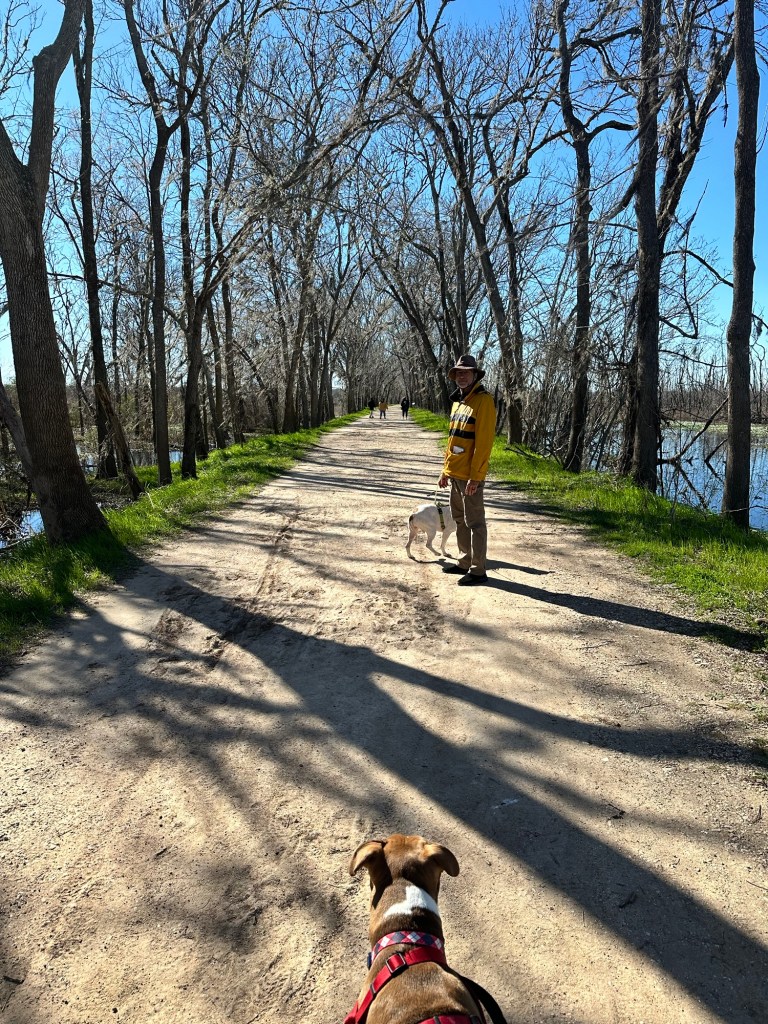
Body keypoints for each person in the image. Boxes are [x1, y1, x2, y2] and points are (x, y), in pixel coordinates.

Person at [438, 354, 495, 585]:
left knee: (475, 523)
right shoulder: (458, 402)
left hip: (471, 476)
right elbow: (452, 441)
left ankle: (478, 570)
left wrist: (476, 477)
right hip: (455, 474)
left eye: (466, 372)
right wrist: (445, 470)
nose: (462, 376)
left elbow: (483, 444)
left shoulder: (484, 401)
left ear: (474, 375)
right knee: (459, 519)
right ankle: (464, 561)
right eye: (458, 373)